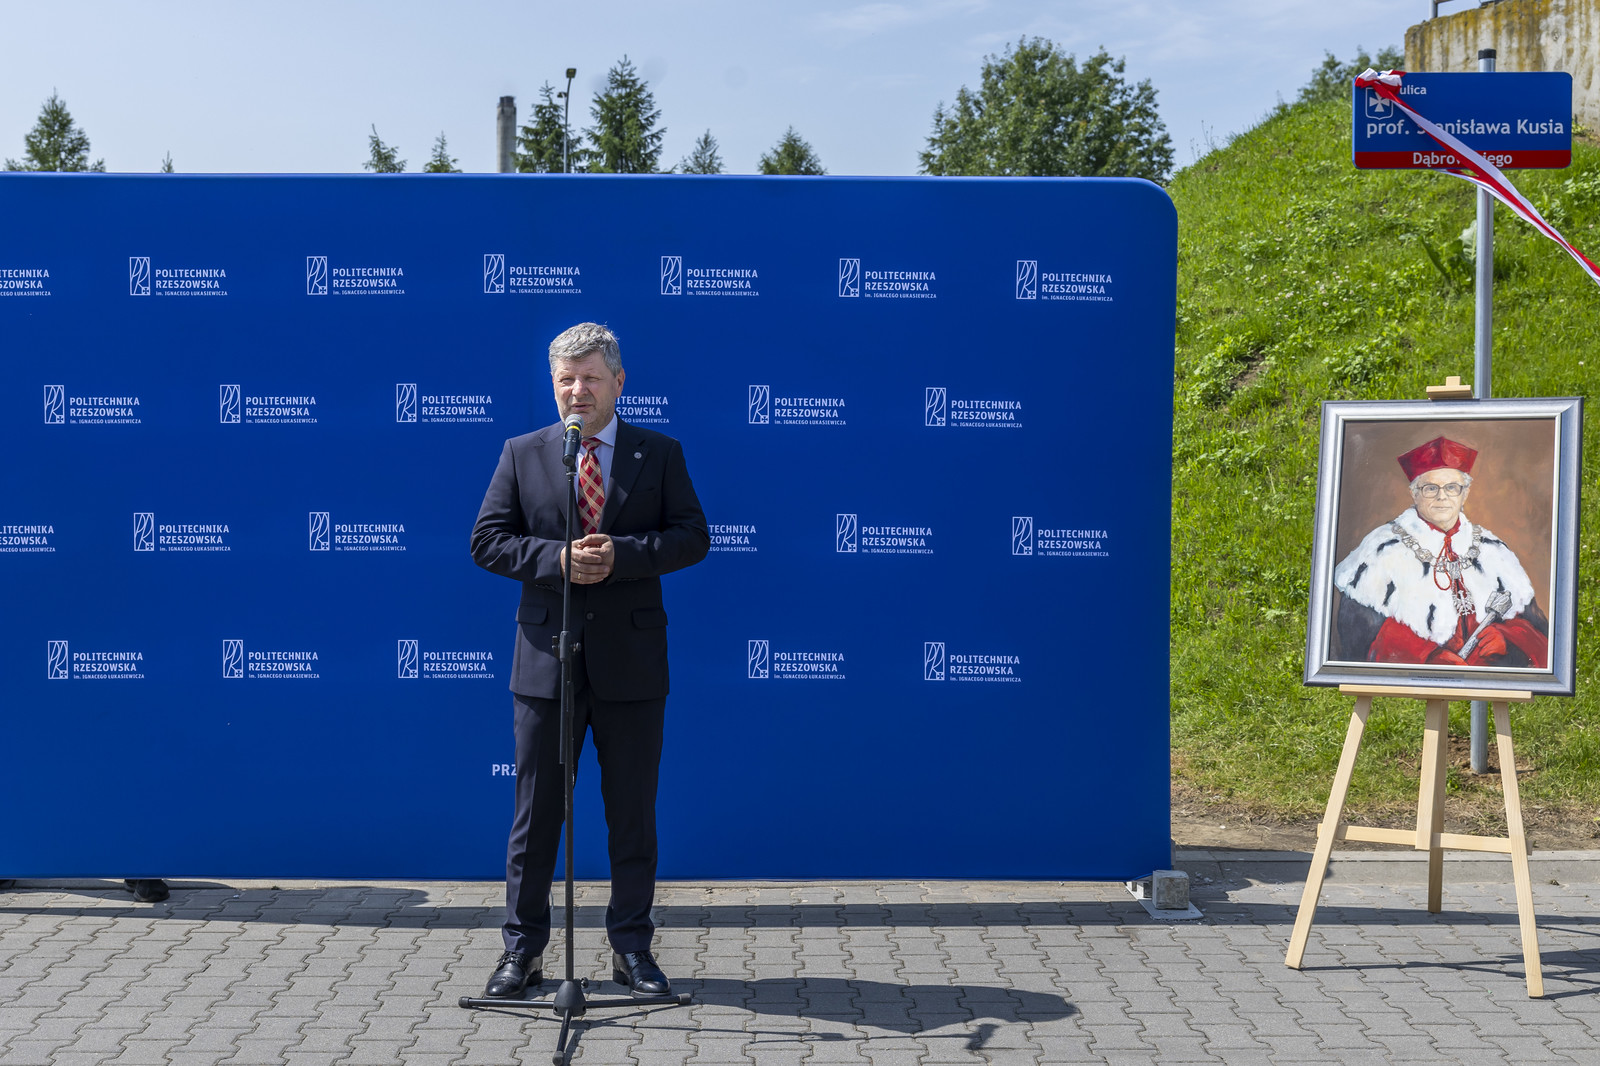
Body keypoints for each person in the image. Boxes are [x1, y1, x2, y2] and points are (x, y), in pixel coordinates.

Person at [470, 322, 708, 1000]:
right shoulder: (524, 452)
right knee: (535, 817)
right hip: (547, 664)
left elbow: (693, 536)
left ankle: (632, 949)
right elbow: (487, 541)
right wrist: (556, 559)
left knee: (631, 815)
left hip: (632, 665)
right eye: (566, 380)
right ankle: (523, 952)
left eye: (591, 378)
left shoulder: (659, 452)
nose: (578, 391)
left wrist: (623, 556)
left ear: (618, 382)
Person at [1332, 435, 1548, 667]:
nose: (1442, 496)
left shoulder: (1493, 550)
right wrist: (1426, 656)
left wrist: (1506, 639)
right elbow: (1357, 635)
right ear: (1414, 493)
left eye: (1452, 487)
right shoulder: (1382, 548)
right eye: (1430, 488)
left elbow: (1535, 630)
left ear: (1464, 494)